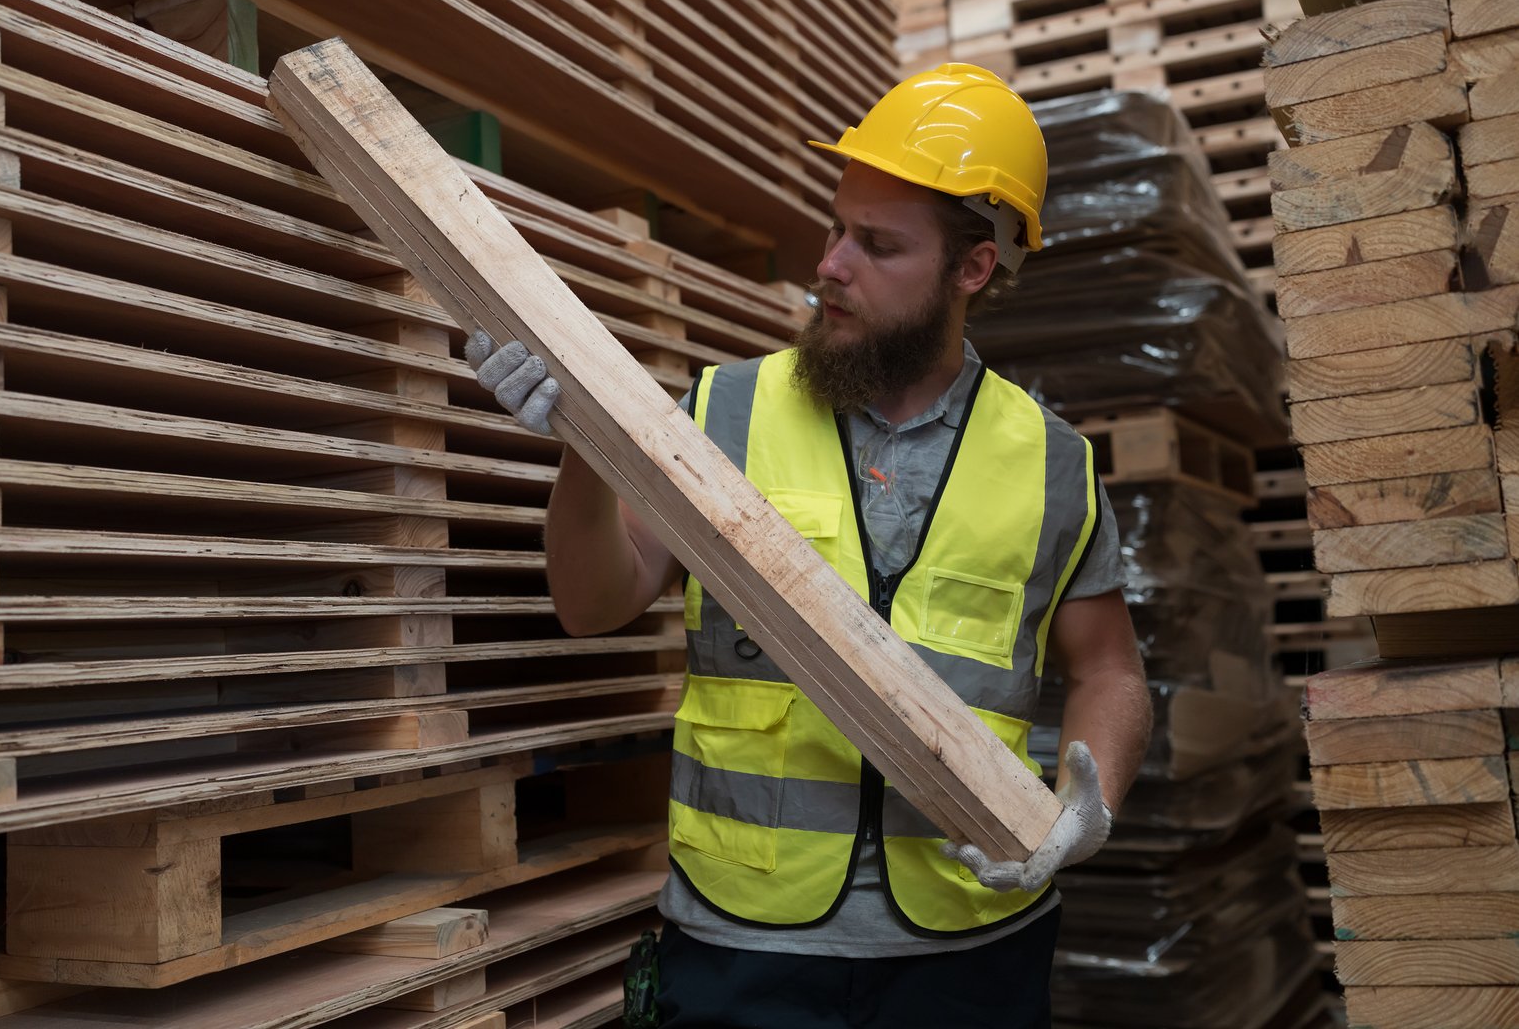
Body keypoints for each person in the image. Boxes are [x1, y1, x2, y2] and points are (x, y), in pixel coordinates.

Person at [466, 63, 1153, 1029]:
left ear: (973, 269)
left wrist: (1091, 810)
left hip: (970, 951)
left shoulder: (1054, 465)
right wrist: (583, 452)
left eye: (876, 245)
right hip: (744, 942)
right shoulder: (722, 412)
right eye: (837, 228)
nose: (829, 264)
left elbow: (1109, 671)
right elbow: (593, 603)